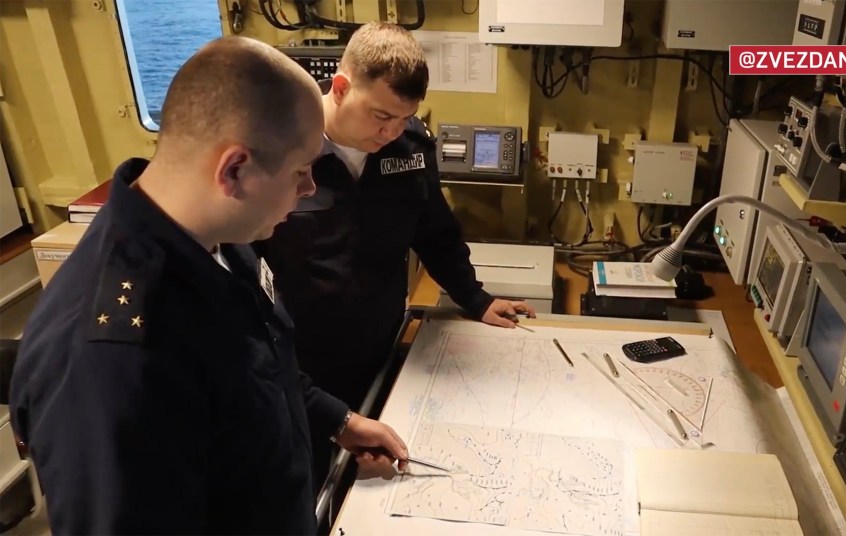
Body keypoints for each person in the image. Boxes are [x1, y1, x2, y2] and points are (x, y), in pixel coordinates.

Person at [9, 36, 408, 534]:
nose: (309, 189)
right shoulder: (111, 360)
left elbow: (259, 365)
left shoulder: (219, 237)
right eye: (300, 171)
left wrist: (339, 421)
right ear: (234, 169)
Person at [258, 22, 536, 417]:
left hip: (380, 347)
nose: (391, 132)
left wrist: (476, 299)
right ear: (340, 88)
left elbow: (436, 234)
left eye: (405, 118)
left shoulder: (410, 149)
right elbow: (242, 264)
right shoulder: (278, 145)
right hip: (300, 362)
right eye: (381, 115)